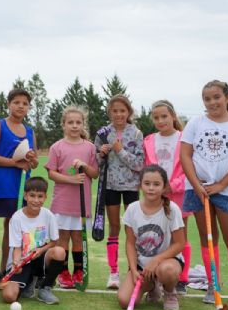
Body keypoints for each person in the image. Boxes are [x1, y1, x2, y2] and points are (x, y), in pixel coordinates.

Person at [180, 80, 228, 307]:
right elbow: (185, 155)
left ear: (227, 97)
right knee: (208, 238)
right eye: (207, 99)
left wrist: (221, 184)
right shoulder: (195, 123)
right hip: (198, 189)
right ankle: (213, 284)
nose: (212, 102)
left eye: (216, 97)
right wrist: (196, 185)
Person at [117, 165, 186, 310]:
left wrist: (156, 260)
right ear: (140, 185)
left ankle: (169, 291)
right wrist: (134, 269)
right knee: (124, 301)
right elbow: (130, 243)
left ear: (164, 187)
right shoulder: (132, 209)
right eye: (147, 184)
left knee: (167, 270)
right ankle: (152, 285)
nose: (151, 188)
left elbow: (180, 244)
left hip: (167, 262)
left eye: (156, 184)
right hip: (143, 266)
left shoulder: (172, 209)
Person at [0, 88, 39, 274]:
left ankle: (20, 267)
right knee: (11, 225)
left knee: (25, 227)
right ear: (8, 104)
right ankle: (5, 269)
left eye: (25, 104)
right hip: (5, 185)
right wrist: (14, 163)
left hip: (24, 185)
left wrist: (31, 159)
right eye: (17, 102)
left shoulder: (30, 131)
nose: (21, 106)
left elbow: (35, 162)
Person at [45, 106, 98, 289]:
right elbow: (51, 173)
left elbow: (95, 173)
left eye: (78, 122)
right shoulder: (57, 147)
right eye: (70, 122)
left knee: (77, 236)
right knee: (62, 237)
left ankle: (78, 271)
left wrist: (84, 166)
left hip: (81, 203)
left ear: (83, 125)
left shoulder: (90, 147)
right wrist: (71, 179)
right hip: (62, 202)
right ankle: (63, 272)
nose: (75, 126)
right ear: (64, 125)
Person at [143, 100, 192, 295]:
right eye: (156, 117)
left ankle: (182, 278)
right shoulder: (149, 140)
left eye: (164, 116)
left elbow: (190, 167)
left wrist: (173, 186)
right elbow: (147, 167)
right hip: (156, 196)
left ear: (173, 116)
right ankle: (155, 276)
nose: (160, 120)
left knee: (180, 237)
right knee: (157, 235)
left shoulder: (185, 138)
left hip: (178, 195)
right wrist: (155, 187)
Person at [95, 94, 144, 289]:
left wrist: (120, 150)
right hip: (110, 186)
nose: (118, 114)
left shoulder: (137, 133)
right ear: (109, 112)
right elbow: (97, 162)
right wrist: (102, 154)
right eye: (114, 111)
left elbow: (139, 164)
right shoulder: (103, 133)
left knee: (133, 230)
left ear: (129, 112)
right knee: (114, 227)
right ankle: (113, 273)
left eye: (122, 111)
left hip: (132, 186)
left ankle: (135, 270)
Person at [1, 177, 65, 305]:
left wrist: (40, 250)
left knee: (59, 252)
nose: (36, 200)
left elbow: (54, 242)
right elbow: (16, 247)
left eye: (40, 196)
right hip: (23, 260)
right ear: (25, 196)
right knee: (8, 297)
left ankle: (45, 288)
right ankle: (29, 282)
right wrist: (16, 262)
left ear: (45, 197)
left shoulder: (48, 215)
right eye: (32, 196)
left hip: (40, 258)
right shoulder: (17, 218)